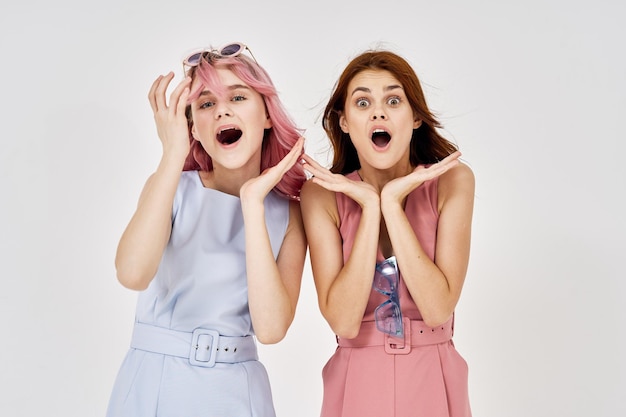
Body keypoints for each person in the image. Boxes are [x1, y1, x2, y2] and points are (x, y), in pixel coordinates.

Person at [106, 42, 307, 417]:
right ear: (193, 128)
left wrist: (252, 204)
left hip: (238, 390)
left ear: (266, 115)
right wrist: (170, 156)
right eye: (206, 104)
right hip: (154, 381)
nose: (222, 110)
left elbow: (271, 329)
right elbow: (132, 274)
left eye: (238, 96)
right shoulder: (170, 186)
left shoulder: (288, 214)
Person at [300, 49, 475, 417]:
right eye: (362, 102)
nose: (378, 112)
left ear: (414, 118)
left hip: (434, 376)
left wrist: (392, 205)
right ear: (344, 122)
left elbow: (437, 307)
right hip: (355, 381)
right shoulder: (320, 196)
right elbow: (343, 321)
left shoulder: (453, 181)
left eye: (393, 100)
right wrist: (368, 206)